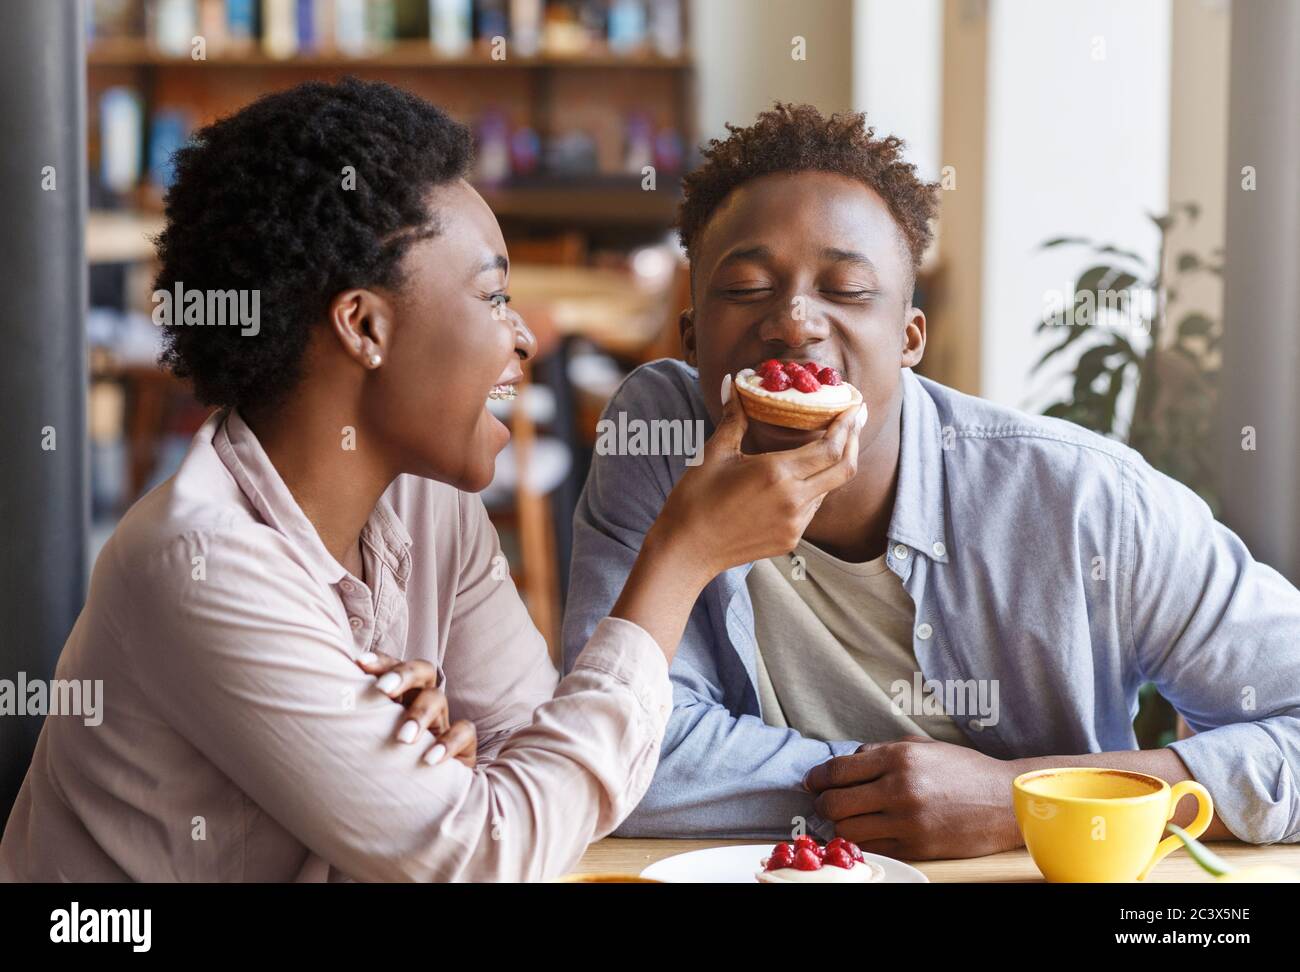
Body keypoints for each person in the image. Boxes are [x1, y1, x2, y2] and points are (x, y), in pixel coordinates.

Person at [0, 81, 862, 882]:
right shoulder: (202, 562)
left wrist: (458, 762)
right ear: (364, 326)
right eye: (492, 299)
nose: (523, 338)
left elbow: (545, 764)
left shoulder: (427, 502)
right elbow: (486, 854)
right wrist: (680, 559)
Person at [561, 103, 1300, 857]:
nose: (793, 322)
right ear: (691, 337)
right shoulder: (664, 438)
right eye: (747, 288)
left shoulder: (1083, 502)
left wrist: (1021, 801)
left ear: (910, 337)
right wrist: (884, 796)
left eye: (847, 289)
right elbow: (618, 753)